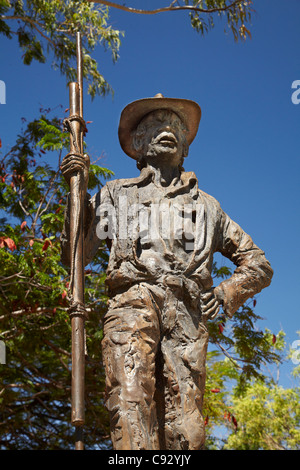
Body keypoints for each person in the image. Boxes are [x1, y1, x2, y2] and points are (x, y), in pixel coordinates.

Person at [60, 94, 273, 450]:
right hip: (130, 305)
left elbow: (259, 264)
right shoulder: (116, 195)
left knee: (187, 427)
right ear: (138, 143)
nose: (168, 130)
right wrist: (76, 193)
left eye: (176, 126)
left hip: (187, 314)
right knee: (129, 408)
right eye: (156, 125)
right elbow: (74, 256)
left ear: (186, 146)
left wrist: (225, 293)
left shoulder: (208, 207)